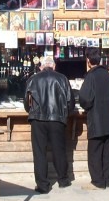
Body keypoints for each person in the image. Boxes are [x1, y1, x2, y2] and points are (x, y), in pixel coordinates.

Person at [24, 56, 75, 194]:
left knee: (39, 152)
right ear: (54, 66)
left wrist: (32, 112)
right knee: (59, 150)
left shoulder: (33, 79)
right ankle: (63, 180)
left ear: (41, 66)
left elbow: (26, 103)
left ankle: (43, 185)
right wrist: (65, 114)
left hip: (37, 119)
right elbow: (70, 102)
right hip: (57, 118)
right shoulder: (62, 79)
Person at [78, 47, 109, 190]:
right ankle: (106, 179)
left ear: (88, 61)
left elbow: (84, 98)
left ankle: (97, 182)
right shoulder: (108, 74)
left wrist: (86, 107)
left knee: (94, 152)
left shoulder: (91, 76)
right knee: (106, 152)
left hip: (96, 119)